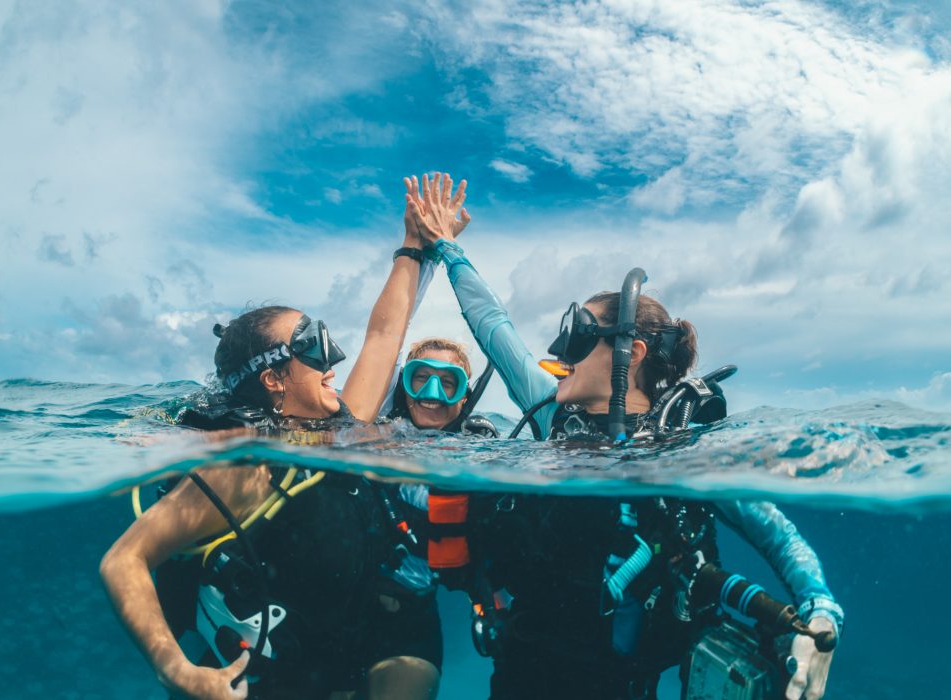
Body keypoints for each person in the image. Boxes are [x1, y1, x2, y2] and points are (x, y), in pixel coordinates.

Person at [412, 208, 843, 700]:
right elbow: (493, 325)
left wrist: (822, 612)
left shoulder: (685, 446)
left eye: (577, 334)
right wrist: (447, 247)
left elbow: (779, 537)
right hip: (522, 671)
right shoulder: (555, 415)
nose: (558, 349)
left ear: (630, 354)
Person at [100, 173, 469, 700]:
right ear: (273, 378)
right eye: (312, 346)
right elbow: (123, 560)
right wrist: (177, 671)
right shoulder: (245, 467)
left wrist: (412, 243)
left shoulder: (342, 426)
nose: (333, 360)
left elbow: (384, 334)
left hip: (339, 652)